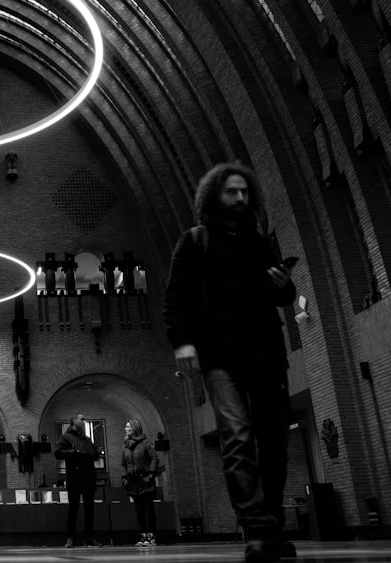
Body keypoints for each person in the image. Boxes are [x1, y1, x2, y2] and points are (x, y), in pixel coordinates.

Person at [164, 162, 297, 563]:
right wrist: (183, 343)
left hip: (267, 353)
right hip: (220, 356)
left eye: (244, 192)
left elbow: (282, 297)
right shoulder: (195, 241)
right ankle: (255, 528)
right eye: (231, 192)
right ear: (213, 197)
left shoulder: (258, 242)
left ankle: (271, 522)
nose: (240, 198)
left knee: (274, 439)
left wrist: (283, 285)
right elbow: (176, 298)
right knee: (236, 436)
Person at [54, 413, 103, 548]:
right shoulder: (65, 437)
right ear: (73, 421)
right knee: (73, 509)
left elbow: (94, 454)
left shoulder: (87, 439)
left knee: (89, 509)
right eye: (81, 419)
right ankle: (70, 537)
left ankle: (89, 538)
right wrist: (73, 453)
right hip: (75, 478)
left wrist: (92, 454)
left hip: (88, 477)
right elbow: (57, 453)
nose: (83, 420)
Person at [121, 419, 159, 546]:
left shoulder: (145, 443)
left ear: (134, 428)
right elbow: (123, 464)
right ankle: (143, 536)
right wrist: (124, 477)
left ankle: (152, 536)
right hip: (133, 482)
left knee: (148, 509)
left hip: (145, 480)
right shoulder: (125, 445)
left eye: (127, 427)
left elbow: (154, 458)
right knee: (139, 511)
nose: (125, 429)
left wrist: (151, 474)